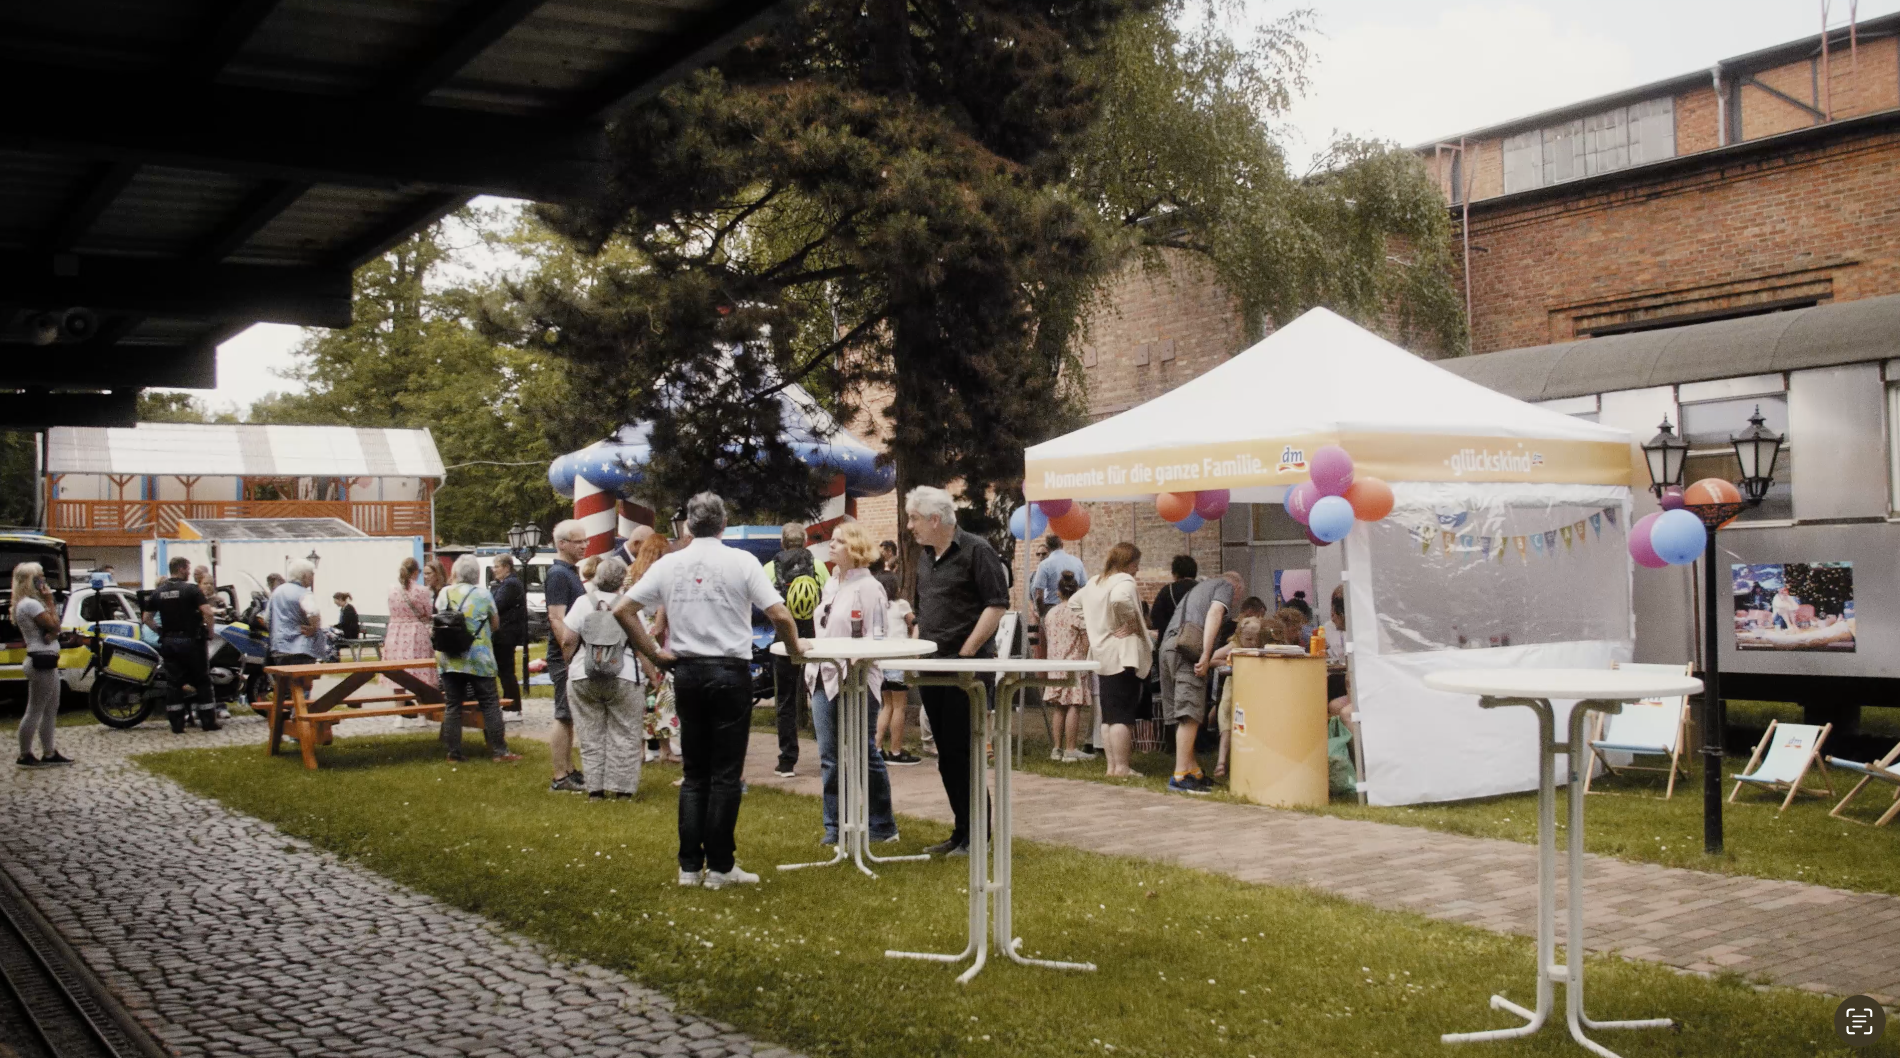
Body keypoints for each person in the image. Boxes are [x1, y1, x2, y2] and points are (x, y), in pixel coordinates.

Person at [617, 492, 803, 889]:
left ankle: (688, 868)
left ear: (687, 525)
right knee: (725, 773)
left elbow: (623, 610)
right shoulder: (741, 561)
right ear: (723, 525)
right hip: (729, 671)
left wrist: (654, 651)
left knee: (694, 773)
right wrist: (795, 652)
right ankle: (720, 866)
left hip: (686, 671)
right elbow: (780, 614)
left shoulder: (670, 564)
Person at [907, 485, 1010, 856]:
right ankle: (961, 831)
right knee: (946, 754)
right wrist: (916, 649)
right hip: (933, 668)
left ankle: (977, 837)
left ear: (936, 519)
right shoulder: (924, 557)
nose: (909, 526)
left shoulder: (977, 550)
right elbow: (924, 610)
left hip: (965, 669)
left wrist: (966, 656)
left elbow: (997, 606)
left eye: (914, 518)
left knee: (964, 751)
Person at [803, 522, 900, 844]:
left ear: (855, 549)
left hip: (856, 680)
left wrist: (858, 661)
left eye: (838, 541)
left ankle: (882, 826)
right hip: (822, 677)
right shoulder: (831, 584)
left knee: (863, 752)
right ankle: (834, 827)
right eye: (831, 541)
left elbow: (878, 635)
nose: (831, 546)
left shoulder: (870, 587)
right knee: (829, 756)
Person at [560, 556, 645, 798]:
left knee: (590, 734)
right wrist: (653, 675)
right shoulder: (629, 605)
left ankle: (595, 789)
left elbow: (567, 640)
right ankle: (623, 791)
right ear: (622, 580)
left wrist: (569, 664)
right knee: (626, 733)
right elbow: (641, 644)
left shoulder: (581, 603)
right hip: (624, 674)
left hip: (583, 674)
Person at [1159, 569, 1242, 795]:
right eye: (1237, 596)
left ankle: (1192, 768)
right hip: (1187, 649)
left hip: (1168, 648)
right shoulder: (1224, 586)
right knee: (1190, 713)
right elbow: (1215, 613)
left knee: (1184, 714)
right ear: (1235, 587)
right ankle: (1180, 776)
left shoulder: (1198, 589)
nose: (1234, 602)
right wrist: (1206, 654)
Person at [1074, 543, 1150, 778]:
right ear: (1131, 563)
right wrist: (1128, 624)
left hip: (1102, 655)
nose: (1137, 570)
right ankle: (1123, 767)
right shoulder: (1123, 582)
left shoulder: (1095, 581)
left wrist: (1096, 626)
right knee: (1123, 716)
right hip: (1123, 654)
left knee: (1108, 716)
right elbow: (1119, 600)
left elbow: (1074, 604)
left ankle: (1112, 767)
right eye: (1136, 564)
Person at [436, 555, 519, 764]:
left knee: (453, 705)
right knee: (490, 703)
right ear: (477, 574)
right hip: (478, 657)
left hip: (449, 657)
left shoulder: (444, 593)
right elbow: (495, 623)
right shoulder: (483, 595)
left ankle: (453, 753)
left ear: (455, 573)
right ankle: (500, 751)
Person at [763, 521, 828, 778]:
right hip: (815, 641)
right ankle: (827, 753)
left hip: (783, 641)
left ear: (782, 542)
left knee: (786, 700)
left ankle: (787, 761)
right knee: (821, 695)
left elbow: (764, 603)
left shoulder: (770, 568)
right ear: (806, 542)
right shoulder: (819, 565)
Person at [143, 556, 220, 734]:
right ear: (181, 569)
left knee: (174, 684)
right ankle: (208, 721)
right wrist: (209, 632)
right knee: (202, 681)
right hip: (192, 642)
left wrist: (161, 632)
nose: (189, 572)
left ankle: (177, 724)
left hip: (170, 642)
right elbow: (208, 612)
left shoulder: (158, 592)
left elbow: (146, 618)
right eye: (187, 568)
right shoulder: (191, 590)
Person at [543, 520, 588, 793]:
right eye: (578, 541)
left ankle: (569, 769)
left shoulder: (570, 572)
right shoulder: (559, 575)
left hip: (570, 651)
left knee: (570, 714)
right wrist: (568, 654)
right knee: (563, 713)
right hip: (564, 653)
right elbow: (555, 618)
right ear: (562, 544)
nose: (584, 545)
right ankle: (560, 777)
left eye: (585, 541)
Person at [628, 535, 679, 764]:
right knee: (662, 696)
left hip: (633, 632)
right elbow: (660, 620)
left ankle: (638, 749)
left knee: (639, 693)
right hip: (653, 637)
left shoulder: (629, 574)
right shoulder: (662, 577)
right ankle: (665, 749)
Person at [11, 562, 68, 766]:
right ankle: (25, 753)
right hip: (40, 659)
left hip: (45, 657)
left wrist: (53, 631)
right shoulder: (31, 604)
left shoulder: (27, 603)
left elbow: (53, 630)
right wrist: (50, 602)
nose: (43, 580)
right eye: (39, 577)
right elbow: (54, 625)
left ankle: (49, 751)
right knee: (35, 709)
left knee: (50, 708)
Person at [872, 553, 919, 766]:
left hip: (880, 661)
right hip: (898, 660)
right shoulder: (902, 605)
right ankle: (896, 751)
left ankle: (877, 746)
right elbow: (915, 624)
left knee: (887, 705)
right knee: (900, 706)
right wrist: (914, 646)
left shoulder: (876, 607)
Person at [1041, 570, 1093, 762]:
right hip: (1074, 662)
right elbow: (1086, 640)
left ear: (1059, 592)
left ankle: (1056, 748)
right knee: (1074, 704)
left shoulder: (1051, 613)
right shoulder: (1078, 613)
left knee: (1058, 706)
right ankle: (1071, 749)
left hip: (1055, 663)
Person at [385, 557, 439, 728]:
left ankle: (400, 715)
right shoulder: (422, 591)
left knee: (397, 673)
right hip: (416, 632)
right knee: (420, 673)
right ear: (416, 572)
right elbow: (427, 613)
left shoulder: (392, 590)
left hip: (395, 633)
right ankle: (422, 714)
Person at [1210, 616, 1267, 779]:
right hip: (1233, 688)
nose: (1252, 642)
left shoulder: (1261, 647)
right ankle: (1221, 761)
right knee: (1227, 718)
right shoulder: (1234, 645)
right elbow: (1213, 658)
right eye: (1248, 638)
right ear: (1240, 635)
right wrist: (1231, 663)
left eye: (1255, 639)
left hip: (1252, 690)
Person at [267, 560, 324, 711]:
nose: (312, 578)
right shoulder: (304, 593)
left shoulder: (277, 592)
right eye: (311, 574)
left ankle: (282, 724)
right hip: (301, 648)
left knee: (285, 690)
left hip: (279, 647)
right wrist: (313, 627)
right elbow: (313, 612)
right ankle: (299, 724)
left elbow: (267, 617)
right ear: (304, 575)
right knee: (302, 688)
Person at [1147, 555, 1199, 715]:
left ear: (1174, 573)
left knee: (1169, 698)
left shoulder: (1166, 591)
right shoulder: (1203, 591)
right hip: (1195, 651)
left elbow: (1153, 621)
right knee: (1192, 698)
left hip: (1168, 648)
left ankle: (1170, 736)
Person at [489, 555, 527, 708]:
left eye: (497, 566)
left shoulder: (510, 584)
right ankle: (509, 702)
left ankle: (512, 705)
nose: (494, 570)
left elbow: (495, 605)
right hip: (506, 634)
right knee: (504, 671)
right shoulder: (507, 583)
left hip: (505, 634)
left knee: (506, 671)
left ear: (506, 567)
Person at [1028, 533, 1086, 625]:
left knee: (1052, 638)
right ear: (1062, 545)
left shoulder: (1044, 565)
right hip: (1074, 607)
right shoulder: (1077, 562)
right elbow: (1084, 588)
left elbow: (1039, 596)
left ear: (1047, 547)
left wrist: (1042, 615)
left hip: (1051, 608)